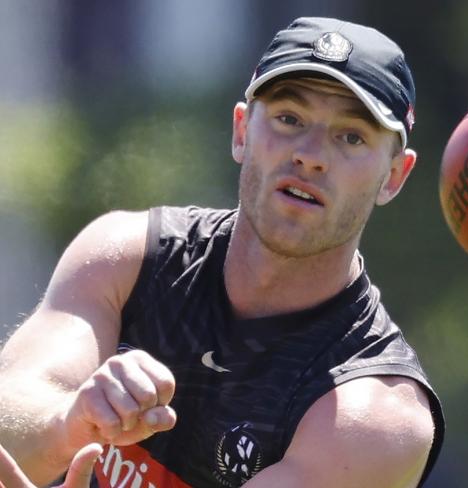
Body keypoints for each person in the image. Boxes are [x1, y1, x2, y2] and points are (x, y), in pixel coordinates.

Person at [0, 17, 444, 488]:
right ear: (241, 131)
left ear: (394, 176)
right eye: (289, 119)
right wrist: (69, 424)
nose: (310, 154)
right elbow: (14, 412)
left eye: (351, 136)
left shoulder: (377, 415)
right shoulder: (125, 258)